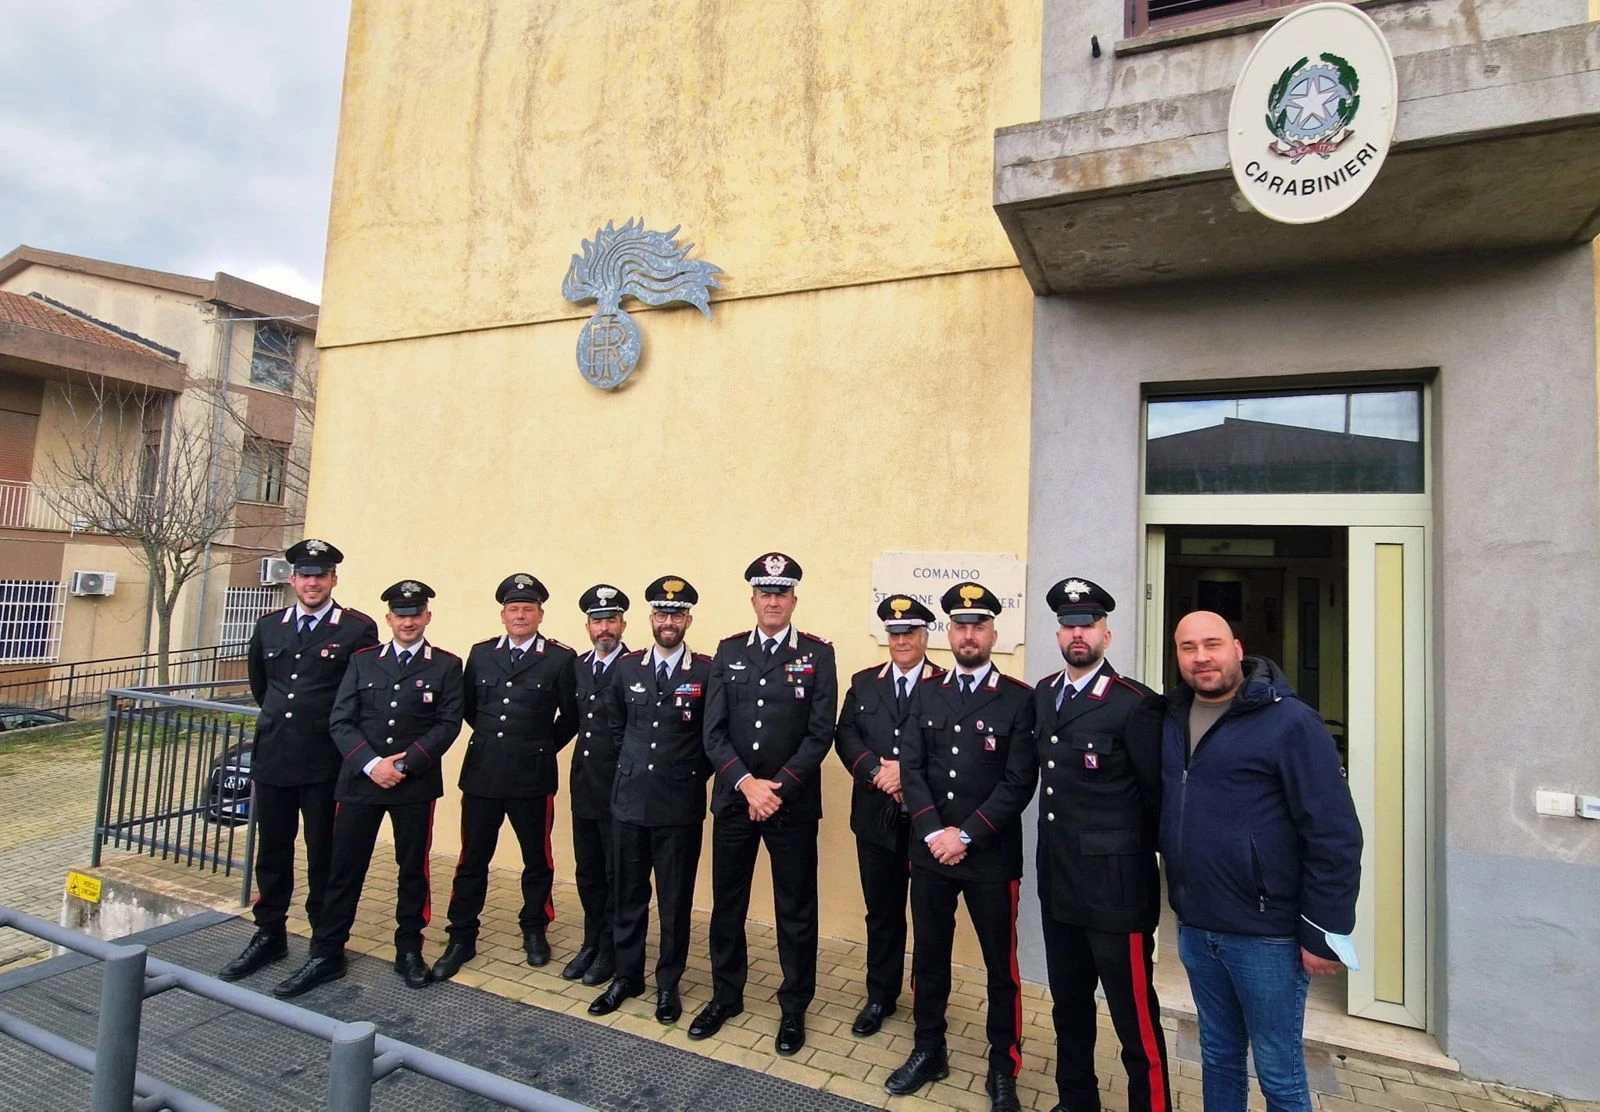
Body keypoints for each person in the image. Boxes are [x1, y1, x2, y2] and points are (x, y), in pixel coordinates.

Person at [1162, 611, 1362, 1112]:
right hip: (1195, 924)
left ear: (1237, 648)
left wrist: (1324, 931)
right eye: (1188, 647)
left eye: (1212, 644)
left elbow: (1334, 832)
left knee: (1278, 1069)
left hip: (1265, 933)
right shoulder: (1170, 718)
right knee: (1219, 1056)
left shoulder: (1291, 722)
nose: (1201, 657)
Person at [887, 582, 1037, 1112]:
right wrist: (934, 834)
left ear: (994, 632)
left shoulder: (1019, 698)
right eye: (960, 625)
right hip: (930, 853)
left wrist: (965, 835)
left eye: (978, 625)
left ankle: (1004, 1065)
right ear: (948, 632)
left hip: (990, 857)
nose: (968, 634)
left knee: (1002, 968)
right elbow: (914, 768)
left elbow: (1018, 782)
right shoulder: (926, 691)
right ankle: (929, 1049)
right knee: (928, 958)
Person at [274, 580, 464, 997]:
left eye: (416, 614)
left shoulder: (446, 665)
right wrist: (373, 764)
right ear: (389, 619)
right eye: (401, 614)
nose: (408, 621)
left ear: (427, 618)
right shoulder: (362, 662)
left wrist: (406, 763)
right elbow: (340, 720)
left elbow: (448, 724)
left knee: (413, 869)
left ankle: (409, 949)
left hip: (414, 785)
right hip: (362, 781)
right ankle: (326, 952)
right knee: (343, 869)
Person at [1033, 577, 1169, 1112]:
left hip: (1116, 895)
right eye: (1068, 625)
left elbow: (1158, 800)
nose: (1077, 634)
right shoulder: (1045, 694)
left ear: (1107, 634)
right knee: (1069, 1009)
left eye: (1087, 624)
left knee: (1134, 1017)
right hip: (1059, 883)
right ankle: (1076, 1100)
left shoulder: (1136, 705)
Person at [695, 552, 837, 1056]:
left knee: (795, 910)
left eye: (781, 592)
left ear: (794, 599)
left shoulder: (818, 655)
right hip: (737, 802)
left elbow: (821, 734)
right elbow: (712, 732)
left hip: (790, 806)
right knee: (727, 904)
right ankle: (725, 995)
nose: (772, 600)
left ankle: (794, 1006)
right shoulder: (728, 651)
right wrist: (745, 784)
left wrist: (775, 788)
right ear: (753, 599)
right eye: (764, 592)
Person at [219, 539, 379, 982]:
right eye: (305, 575)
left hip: (326, 762)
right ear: (293, 580)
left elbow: (361, 695)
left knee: (324, 854)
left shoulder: (356, 629)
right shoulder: (270, 625)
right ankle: (270, 932)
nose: (312, 583)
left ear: (333, 580)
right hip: (275, 757)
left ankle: (326, 945)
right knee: (272, 851)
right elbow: (261, 686)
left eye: (320, 575)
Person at [431, 574, 579, 982]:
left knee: (537, 859)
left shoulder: (560, 658)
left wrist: (541, 746)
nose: (520, 615)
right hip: (483, 774)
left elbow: (572, 715)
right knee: (472, 859)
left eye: (527, 609)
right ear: (503, 614)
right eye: (513, 609)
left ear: (540, 614)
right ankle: (461, 935)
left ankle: (535, 928)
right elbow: (469, 706)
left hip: (532, 775)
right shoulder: (480, 654)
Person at [589, 575, 712, 1024]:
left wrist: (685, 776)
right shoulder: (629, 668)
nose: (668, 621)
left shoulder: (705, 670)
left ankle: (668, 983)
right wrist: (635, 768)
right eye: (661, 613)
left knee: (675, 899)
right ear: (650, 618)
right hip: (630, 801)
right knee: (628, 895)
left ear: (688, 620)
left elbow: (710, 737)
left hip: (679, 805)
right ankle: (627, 976)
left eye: (676, 614)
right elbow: (618, 727)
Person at [833, 593, 943, 1037]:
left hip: (928, 821)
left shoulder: (946, 683)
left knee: (930, 915)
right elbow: (846, 736)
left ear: (924, 635)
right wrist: (878, 771)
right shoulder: (864, 684)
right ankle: (880, 994)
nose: (901, 640)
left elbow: (954, 750)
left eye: (910, 632)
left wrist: (909, 774)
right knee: (881, 911)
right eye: (894, 632)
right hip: (876, 817)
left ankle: (926, 998)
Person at [563, 583, 631, 985]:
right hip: (584, 784)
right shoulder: (579, 665)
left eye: (611, 619)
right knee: (588, 870)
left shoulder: (635, 666)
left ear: (622, 623)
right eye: (597, 620)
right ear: (587, 625)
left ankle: (611, 948)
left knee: (615, 873)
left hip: (619, 787)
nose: (604, 628)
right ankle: (591, 940)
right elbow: (571, 722)